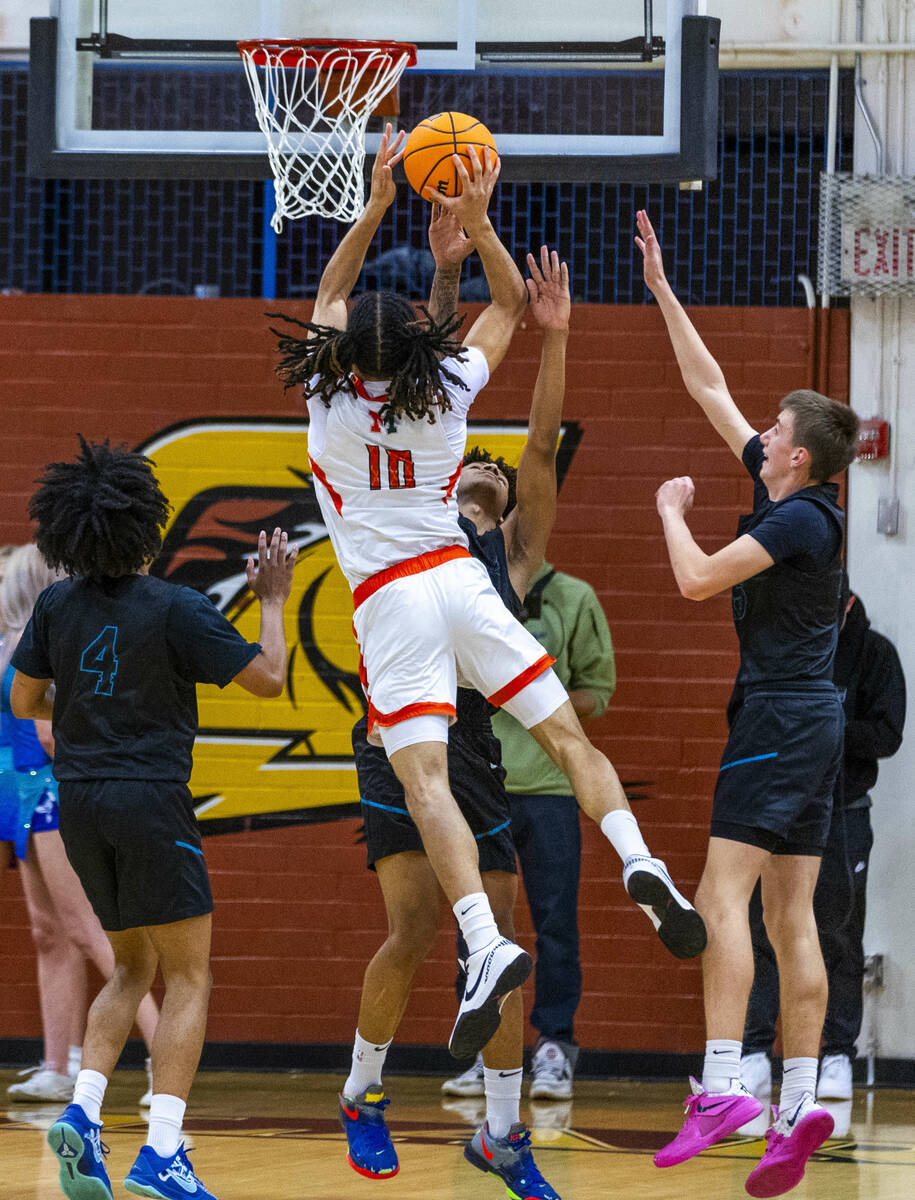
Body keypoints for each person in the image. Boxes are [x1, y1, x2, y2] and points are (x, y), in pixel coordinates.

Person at [269, 129, 706, 1075]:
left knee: (424, 782)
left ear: (344, 353)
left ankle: (483, 939)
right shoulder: (449, 393)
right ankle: (640, 860)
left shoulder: (331, 410)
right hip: (466, 584)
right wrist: (476, 223)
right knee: (566, 742)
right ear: (421, 349)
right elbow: (510, 303)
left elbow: (329, 297)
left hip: (391, 604)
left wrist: (378, 203)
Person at [338, 216, 569, 1199]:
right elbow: (423, 370)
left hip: (474, 749)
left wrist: (552, 339)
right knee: (417, 925)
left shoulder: (508, 551)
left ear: (498, 484)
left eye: (497, 470)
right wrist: (445, 269)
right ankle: (365, 1089)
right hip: (398, 732)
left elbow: (545, 443)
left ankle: (504, 1133)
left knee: (503, 937)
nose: (486, 468)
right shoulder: (400, 496)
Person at [635, 209, 860, 1198]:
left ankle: (726, 1084)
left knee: (719, 896)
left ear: (798, 455)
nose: (758, 432)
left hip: (777, 718)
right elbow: (709, 385)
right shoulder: (796, 496)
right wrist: (661, 289)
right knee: (790, 916)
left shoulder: (803, 520)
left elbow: (694, 583)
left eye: (774, 430)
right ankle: (802, 1101)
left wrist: (670, 515)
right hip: (812, 721)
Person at [10, 437, 297, 1200]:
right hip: (149, 801)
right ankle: (164, 1151)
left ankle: (84, 1111)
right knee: (190, 975)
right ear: (147, 525)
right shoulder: (177, 607)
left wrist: (70, 708)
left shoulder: (55, 604)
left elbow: (20, 700)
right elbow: (269, 680)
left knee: (133, 964)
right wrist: (271, 601)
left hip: (79, 805)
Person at [445, 564, 616, 1103]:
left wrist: (536, 692)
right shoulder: (459, 589)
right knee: (478, 928)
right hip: (478, 785)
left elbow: (599, 691)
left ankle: (554, 1049)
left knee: (555, 925)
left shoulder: (573, 596)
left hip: (549, 790)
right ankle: (486, 1048)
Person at [1, 544, 160, 1107]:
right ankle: (56, 1063)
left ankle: (161, 1055)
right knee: (50, 932)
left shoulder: (42, 638)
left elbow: (52, 728)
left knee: (90, 928)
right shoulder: (17, 638)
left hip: (50, 788)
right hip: (21, 793)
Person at [741, 579, 906, 1102]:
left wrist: (822, 725)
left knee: (837, 930)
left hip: (844, 813)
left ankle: (836, 1054)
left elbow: (887, 734)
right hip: (778, 809)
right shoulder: (777, 647)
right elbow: (737, 713)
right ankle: (753, 1052)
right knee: (763, 926)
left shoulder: (876, 653)